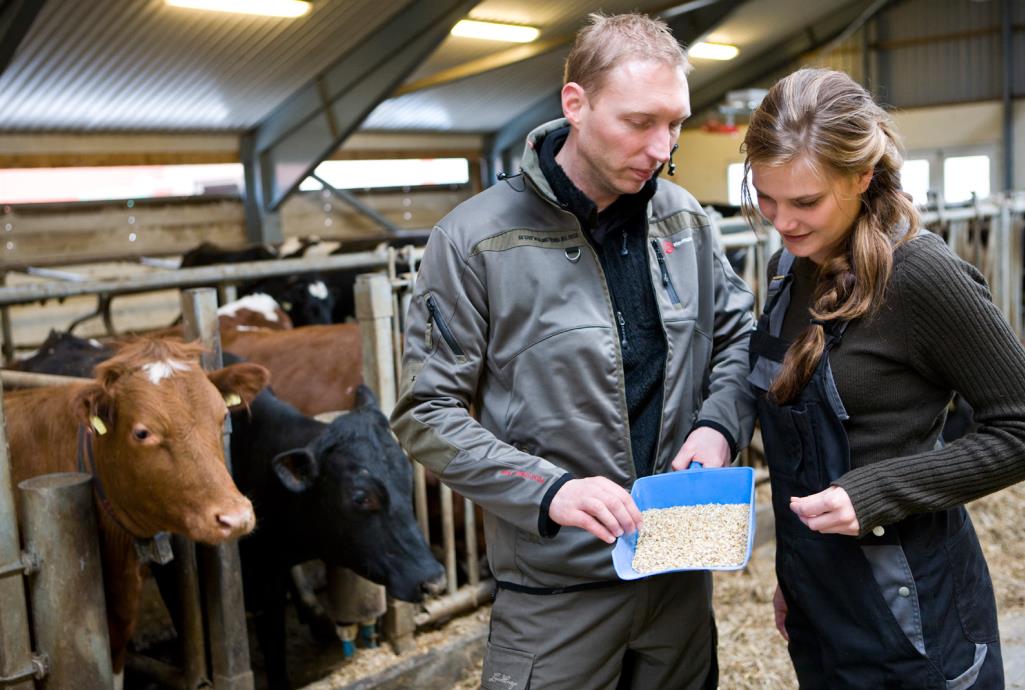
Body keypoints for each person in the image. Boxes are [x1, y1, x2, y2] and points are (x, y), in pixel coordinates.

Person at [390, 12, 755, 690]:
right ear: (575, 104)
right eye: (638, 122)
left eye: (673, 124)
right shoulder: (476, 240)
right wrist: (549, 490)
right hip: (557, 588)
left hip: (678, 567)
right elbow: (425, 411)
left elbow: (738, 337)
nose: (660, 147)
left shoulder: (683, 219)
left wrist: (718, 424)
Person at [743, 67, 1025, 689]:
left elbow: (1019, 428)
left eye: (806, 202)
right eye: (766, 198)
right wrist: (798, 577)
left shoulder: (921, 276)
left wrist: (875, 493)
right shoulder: (788, 272)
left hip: (915, 609)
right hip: (820, 605)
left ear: (862, 176)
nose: (781, 222)